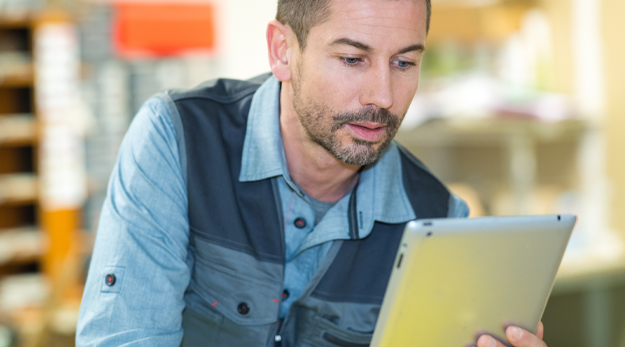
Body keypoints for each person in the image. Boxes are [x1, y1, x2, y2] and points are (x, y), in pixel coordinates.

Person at [76, 0, 549, 346]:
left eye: (404, 62)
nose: (383, 95)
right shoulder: (178, 140)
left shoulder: (439, 220)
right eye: (352, 59)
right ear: (283, 50)